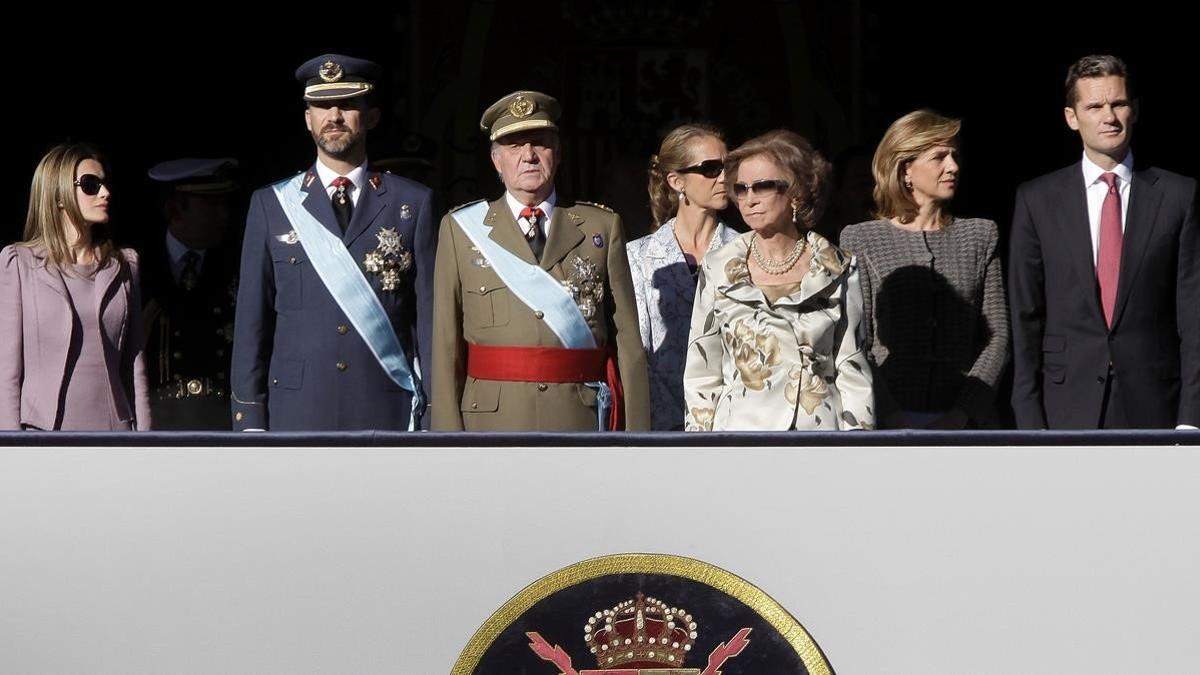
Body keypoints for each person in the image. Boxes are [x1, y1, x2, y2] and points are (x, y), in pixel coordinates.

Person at [231, 54, 435, 431]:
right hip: (298, 410)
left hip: (386, 407)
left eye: (348, 105)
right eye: (322, 106)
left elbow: (427, 321)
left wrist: (435, 416)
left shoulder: (412, 203)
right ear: (308, 120)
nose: (334, 116)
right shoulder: (271, 204)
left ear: (372, 116)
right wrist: (250, 419)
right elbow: (251, 324)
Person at [431, 90, 649, 431]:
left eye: (539, 143)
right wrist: (446, 437)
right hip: (491, 422)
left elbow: (627, 343)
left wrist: (638, 438)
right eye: (514, 146)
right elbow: (446, 346)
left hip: (580, 418)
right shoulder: (461, 230)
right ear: (496, 160)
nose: (528, 156)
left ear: (558, 153)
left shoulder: (601, 227)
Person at [1009, 54, 1200, 429]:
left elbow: (1193, 317)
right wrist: (1030, 423)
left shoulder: (1179, 195)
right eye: (1094, 106)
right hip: (1063, 402)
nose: (1109, 117)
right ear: (1071, 117)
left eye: (1118, 104)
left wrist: (1191, 418)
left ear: (1135, 109)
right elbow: (1024, 317)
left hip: (1156, 402)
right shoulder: (1037, 199)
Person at [683, 130, 873, 431]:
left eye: (762, 187)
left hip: (818, 439)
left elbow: (851, 365)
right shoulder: (718, 265)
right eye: (741, 189)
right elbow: (701, 372)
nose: (749, 199)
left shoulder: (838, 267)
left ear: (796, 192)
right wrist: (700, 449)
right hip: (738, 439)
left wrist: (858, 448)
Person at [840, 110, 1009, 429]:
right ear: (905, 169)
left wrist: (963, 412)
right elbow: (857, 340)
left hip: (968, 423)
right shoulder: (861, 239)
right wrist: (891, 413)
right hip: (887, 422)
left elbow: (996, 336)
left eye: (955, 156)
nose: (953, 167)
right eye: (939, 157)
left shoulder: (980, 234)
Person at [1, 143, 151, 430]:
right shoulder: (18, 263)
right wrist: (10, 447)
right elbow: (6, 371)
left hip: (114, 433)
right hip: (42, 433)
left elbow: (135, 366)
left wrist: (146, 442)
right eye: (91, 185)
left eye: (104, 183)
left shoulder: (123, 265)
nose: (105, 193)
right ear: (58, 195)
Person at [626, 123, 738, 430]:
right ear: (677, 181)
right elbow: (638, 353)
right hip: (659, 426)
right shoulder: (636, 256)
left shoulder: (744, 251)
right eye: (711, 169)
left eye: (728, 166)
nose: (724, 178)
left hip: (730, 424)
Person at [142, 157, 241, 430]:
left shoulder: (238, 262)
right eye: (211, 205)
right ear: (174, 210)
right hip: (155, 420)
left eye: (225, 204)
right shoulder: (135, 267)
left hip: (222, 418)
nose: (224, 215)